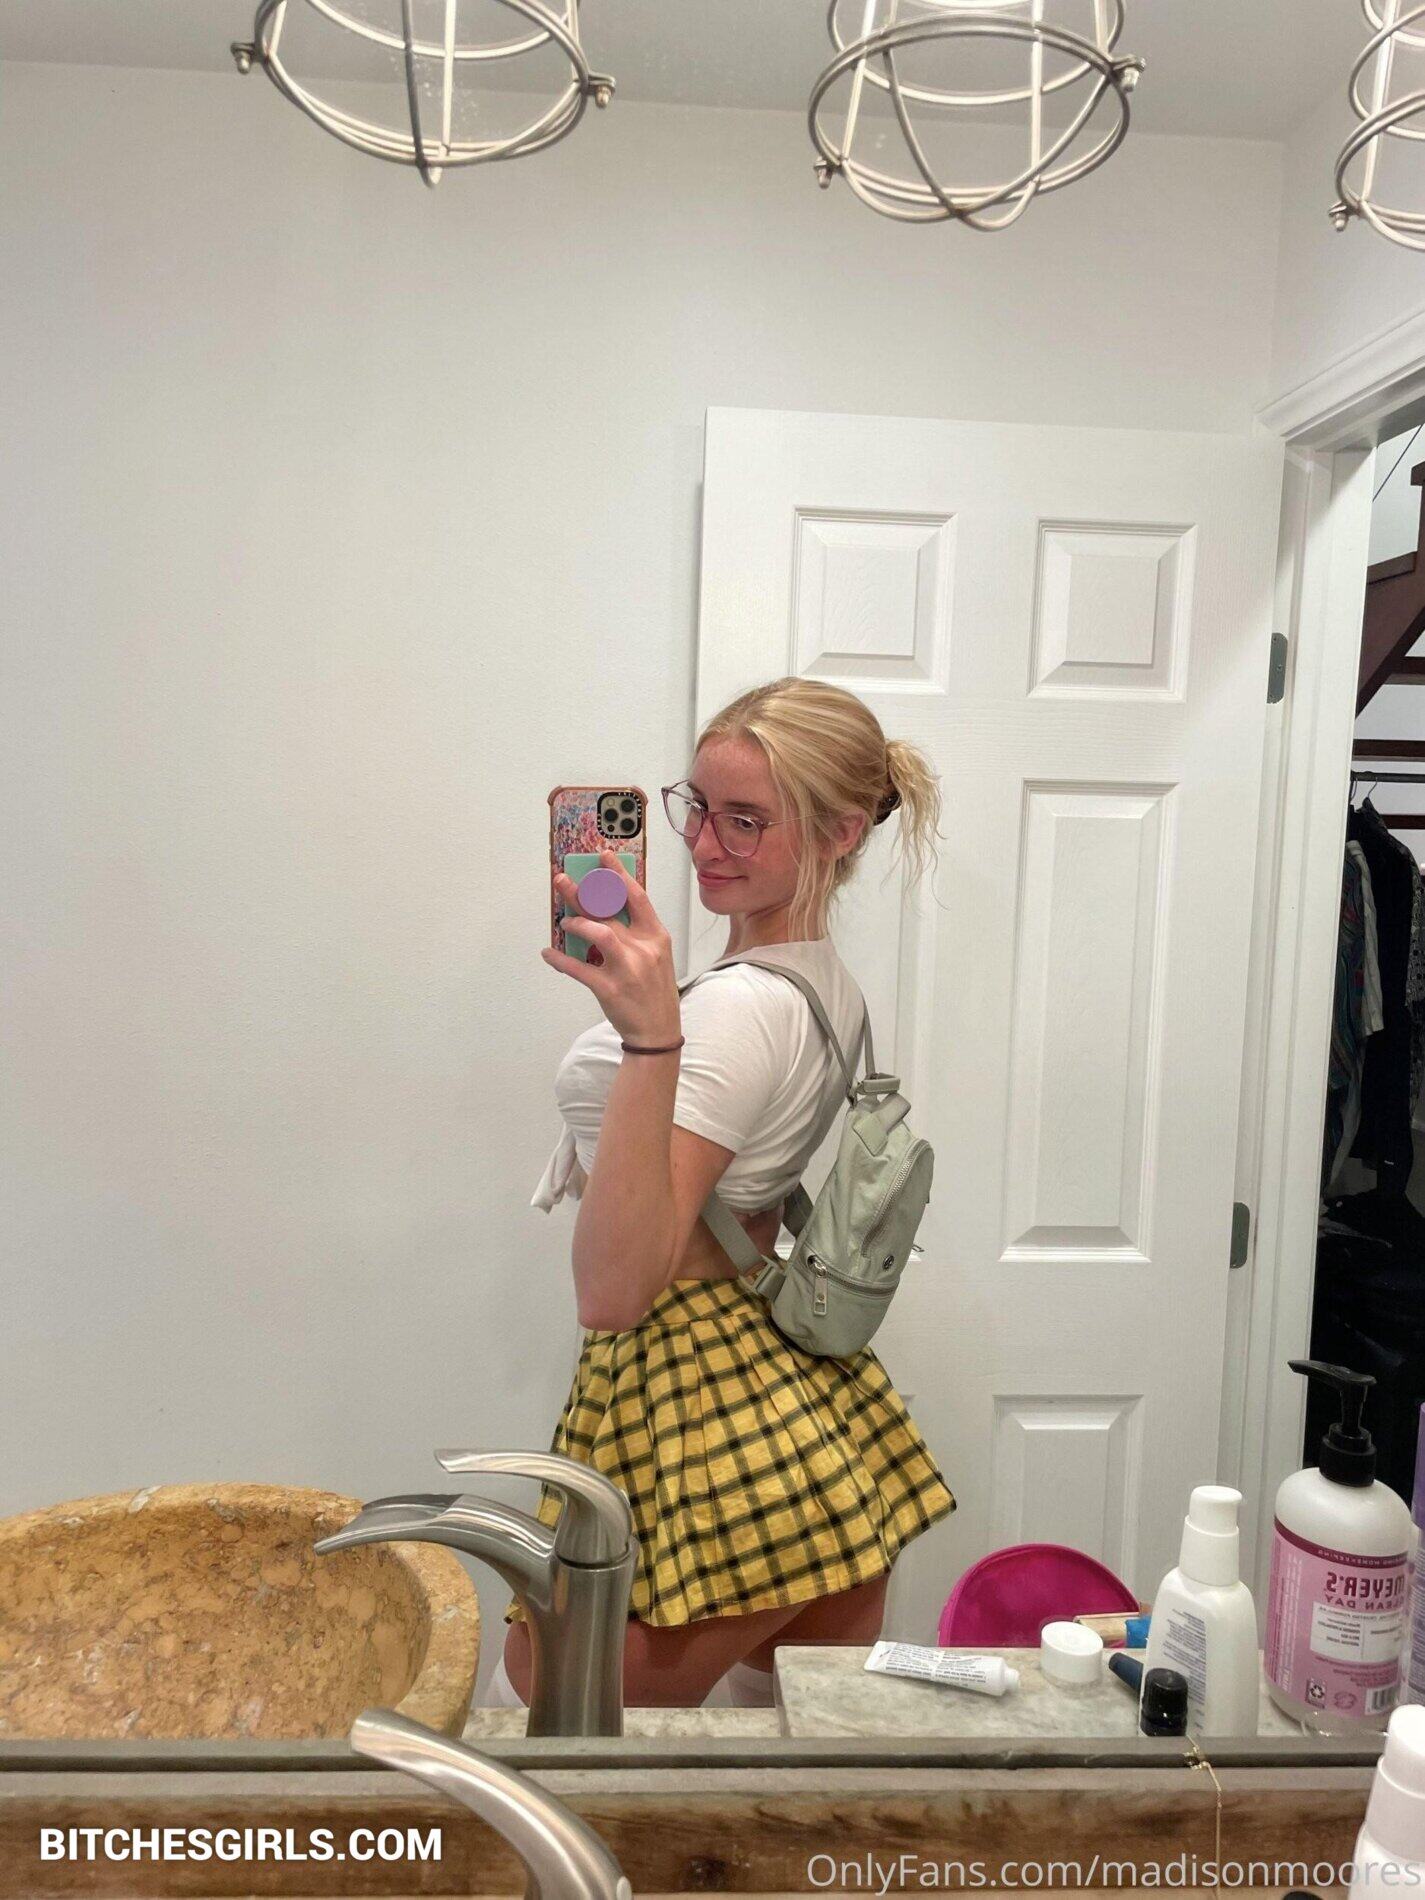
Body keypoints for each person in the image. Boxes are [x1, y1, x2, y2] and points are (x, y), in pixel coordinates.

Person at [501, 676, 957, 1708]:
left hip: (689, 1373)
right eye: (697, 806)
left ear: (841, 831)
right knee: (789, 1714)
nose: (705, 843)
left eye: (746, 819)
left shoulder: (740, 1009)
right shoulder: (815, 982)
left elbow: (614, 1290)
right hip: (777, 1372)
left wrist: (651, 1039)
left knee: (544, 1694)